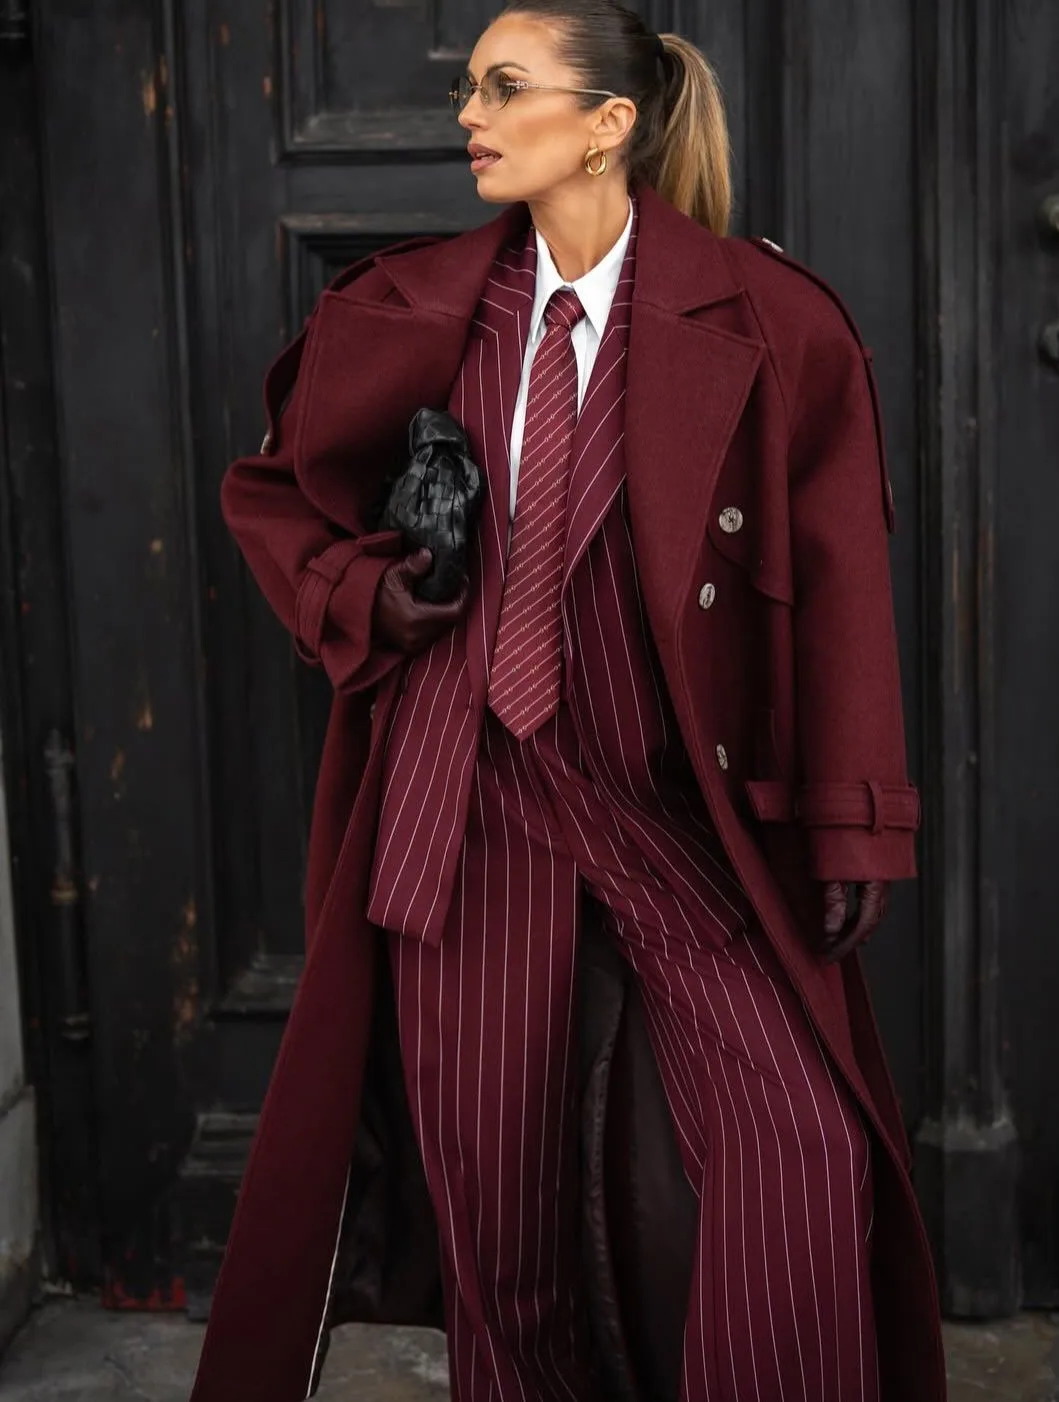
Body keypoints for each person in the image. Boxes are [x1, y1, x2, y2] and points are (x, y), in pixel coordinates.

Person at [189, 3, 946, 1400]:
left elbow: (840, 573)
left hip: (678, 811)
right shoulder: (401, 309)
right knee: (504, 1230)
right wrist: (366, 597)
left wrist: (854, 816)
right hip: (466, 808)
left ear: (608, 125)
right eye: (471, 89)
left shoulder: (773, 322)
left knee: (798, 1154)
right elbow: (275, 500)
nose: (467, 116)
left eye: (503, 87)